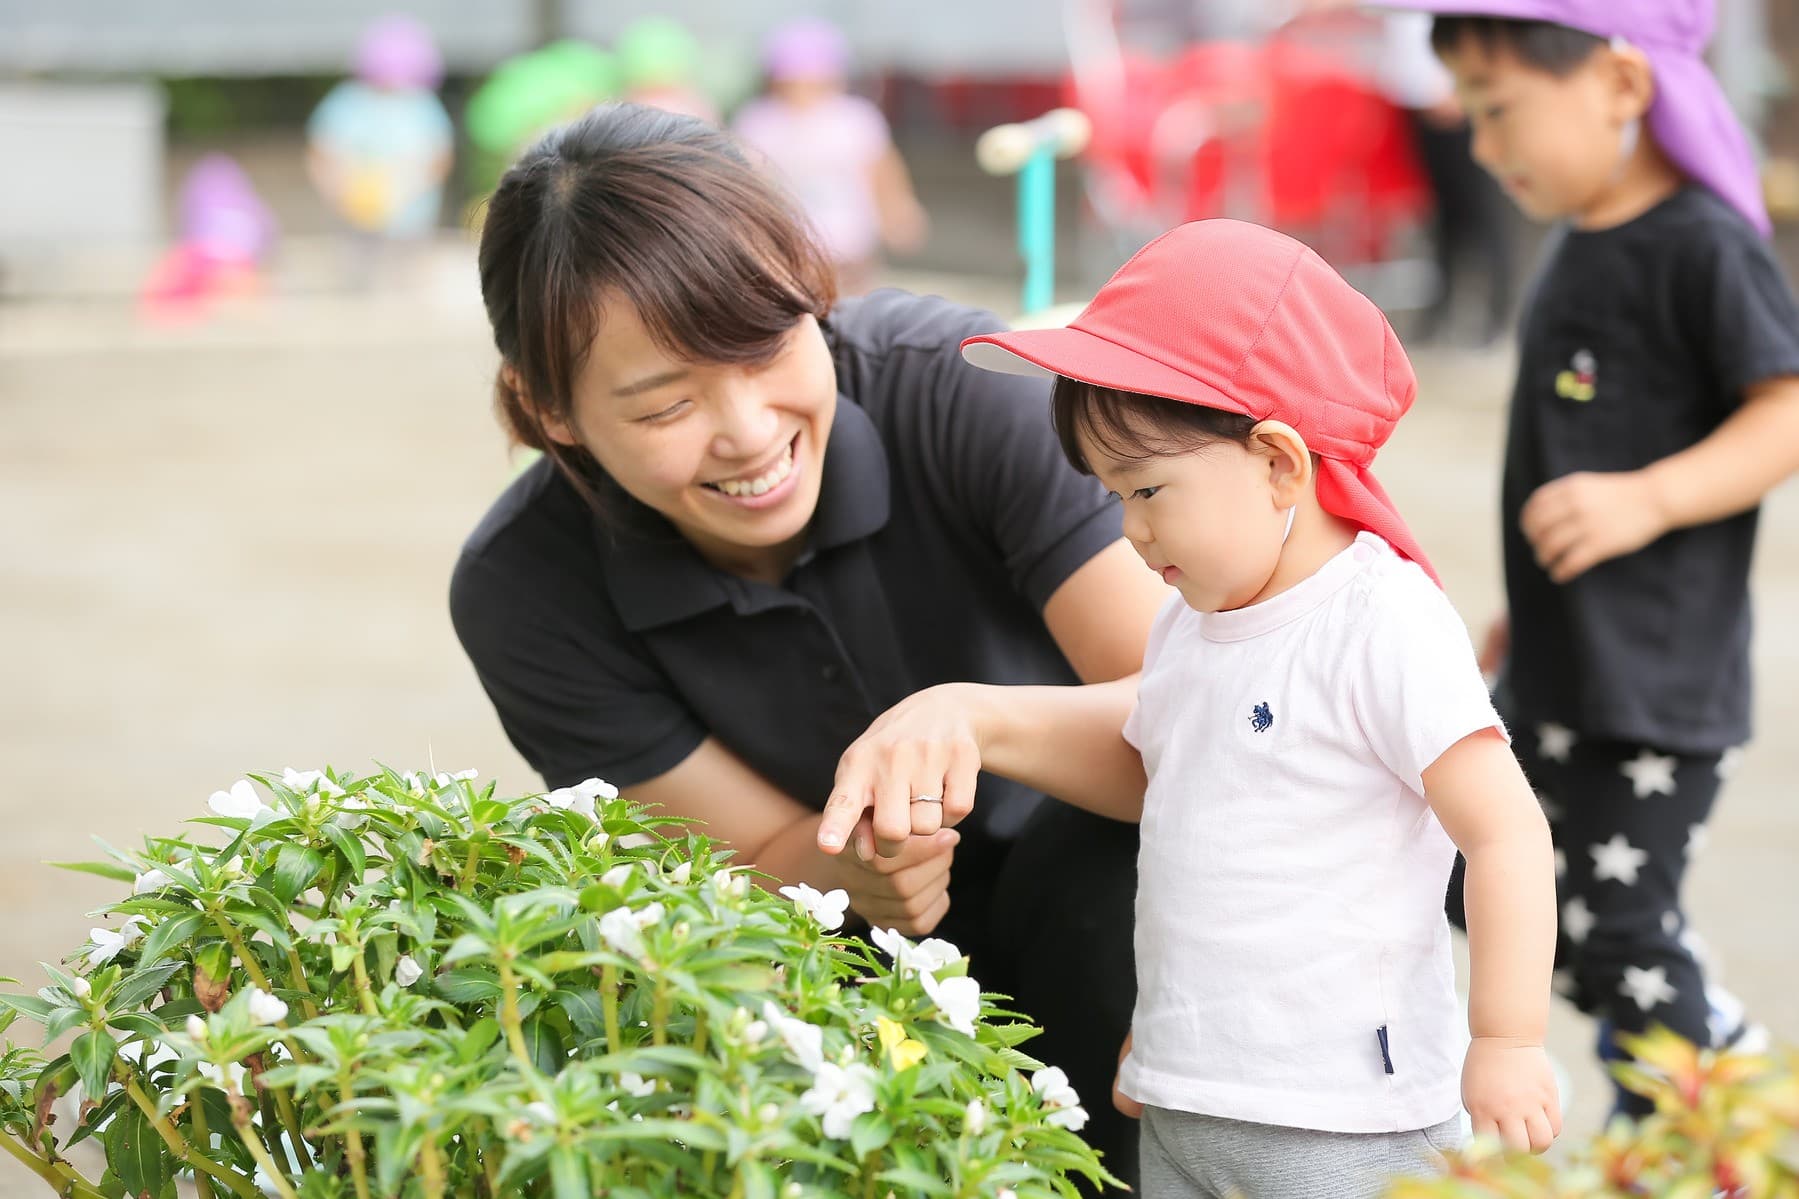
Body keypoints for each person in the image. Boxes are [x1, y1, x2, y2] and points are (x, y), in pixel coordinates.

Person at [449, 102, 1167, 1188]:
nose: (746, 431)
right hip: (840, 965)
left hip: (1116, 871)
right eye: (662, 406)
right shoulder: (525, 591)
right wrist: (863, 868)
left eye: (766, 347)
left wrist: (971, 720)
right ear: (547, 409)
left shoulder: (967, 388)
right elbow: (757, 858)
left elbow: (1214, 716)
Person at [817, 219, 1563, 1197]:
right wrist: (1177, 1030)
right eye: (1112, 495)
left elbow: (1504, 830)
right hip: (1182, 1097)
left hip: (1343, 1115)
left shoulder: (1378, 620)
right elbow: (1165, 783)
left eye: (1147, 489)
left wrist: (1505, 1035)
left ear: (1277, 463)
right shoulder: (1191, 622)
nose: (1128, 529)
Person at [1380, 0, 1799, 1116]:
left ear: (1620, 84)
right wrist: (1527, 602)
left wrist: (1650, 497)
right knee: (1476, 880)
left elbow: (1787, 407)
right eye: (1469, 113)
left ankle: (1714, 1094)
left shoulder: (1700, 244)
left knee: (1621, 925)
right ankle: (1677, 1071)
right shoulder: (1575, 240)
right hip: (1558, 662)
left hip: (1649, 692)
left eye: (1498, 108)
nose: (1479, 143)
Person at [731, 17, 928, 295]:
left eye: (812, 82)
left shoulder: (853, 119)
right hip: (787, 249)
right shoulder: (760, 122)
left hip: (849, 248)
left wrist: (897, 211)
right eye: (792, 82)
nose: (801, 91)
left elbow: (881, 170)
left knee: (852, 309)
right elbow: (744, 181)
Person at [305, 14, 454, 278]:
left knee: (404, 273)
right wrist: (334, 186)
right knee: (360, 271)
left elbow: (441, 157)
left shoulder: (421, 105)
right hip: (354, 212)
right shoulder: (349, 101)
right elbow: (321, 151)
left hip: (410, 216)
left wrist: (411, 185)